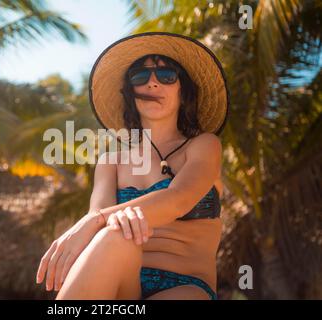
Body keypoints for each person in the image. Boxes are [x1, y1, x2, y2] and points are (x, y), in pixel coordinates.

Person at [36, 32, 229, 300]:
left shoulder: (203, 145)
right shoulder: (111, 162)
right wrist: (99, 220)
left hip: (185, 286)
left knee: (111, 226)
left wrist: (96, 219)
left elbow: (178, 199)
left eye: (166, 76)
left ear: (183, 92)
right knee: (114, 235)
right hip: (121, 283)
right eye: (140, 76)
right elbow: (100, 225)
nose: (152, 83)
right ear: (131, 94)